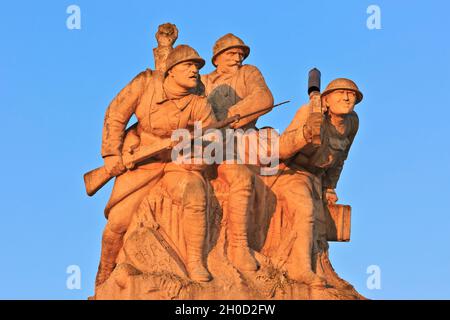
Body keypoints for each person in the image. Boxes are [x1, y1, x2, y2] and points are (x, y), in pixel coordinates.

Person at [95, 45, 217, 287]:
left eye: (197, 67)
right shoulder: (146, 83)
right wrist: (111, 155)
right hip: (142, 159)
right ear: (171, 70)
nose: (194, 71)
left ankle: (195, 262)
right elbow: (116, 114)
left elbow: (212, 137)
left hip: (177, 162)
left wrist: (196, 161)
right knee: (117, 223)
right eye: (188, 66)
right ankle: (103, 278)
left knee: (194, 193)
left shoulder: (198, 103)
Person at [272, 78, 363, 286]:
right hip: (291, 172)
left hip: (317, 177)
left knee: (322, 224)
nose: (347, 97)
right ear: (326, 100)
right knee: (305, 210)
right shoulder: (309, 112)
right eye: (340, 93)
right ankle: (300, 268)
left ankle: (320, 268)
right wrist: (306, 132)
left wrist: (329, 187)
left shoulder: (351, 123)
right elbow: (281, 149)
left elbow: (341, 157)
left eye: (352, 95)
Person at [200, 33, 274, 271]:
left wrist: (232, 115)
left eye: (240, 54)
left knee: (241, 178)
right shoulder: (202, 80)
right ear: (217, 58)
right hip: (201, 143)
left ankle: (238, 246)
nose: (238, 58)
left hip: (237, 142)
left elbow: (264, 98)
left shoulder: (249, 73)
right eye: (232, 53)